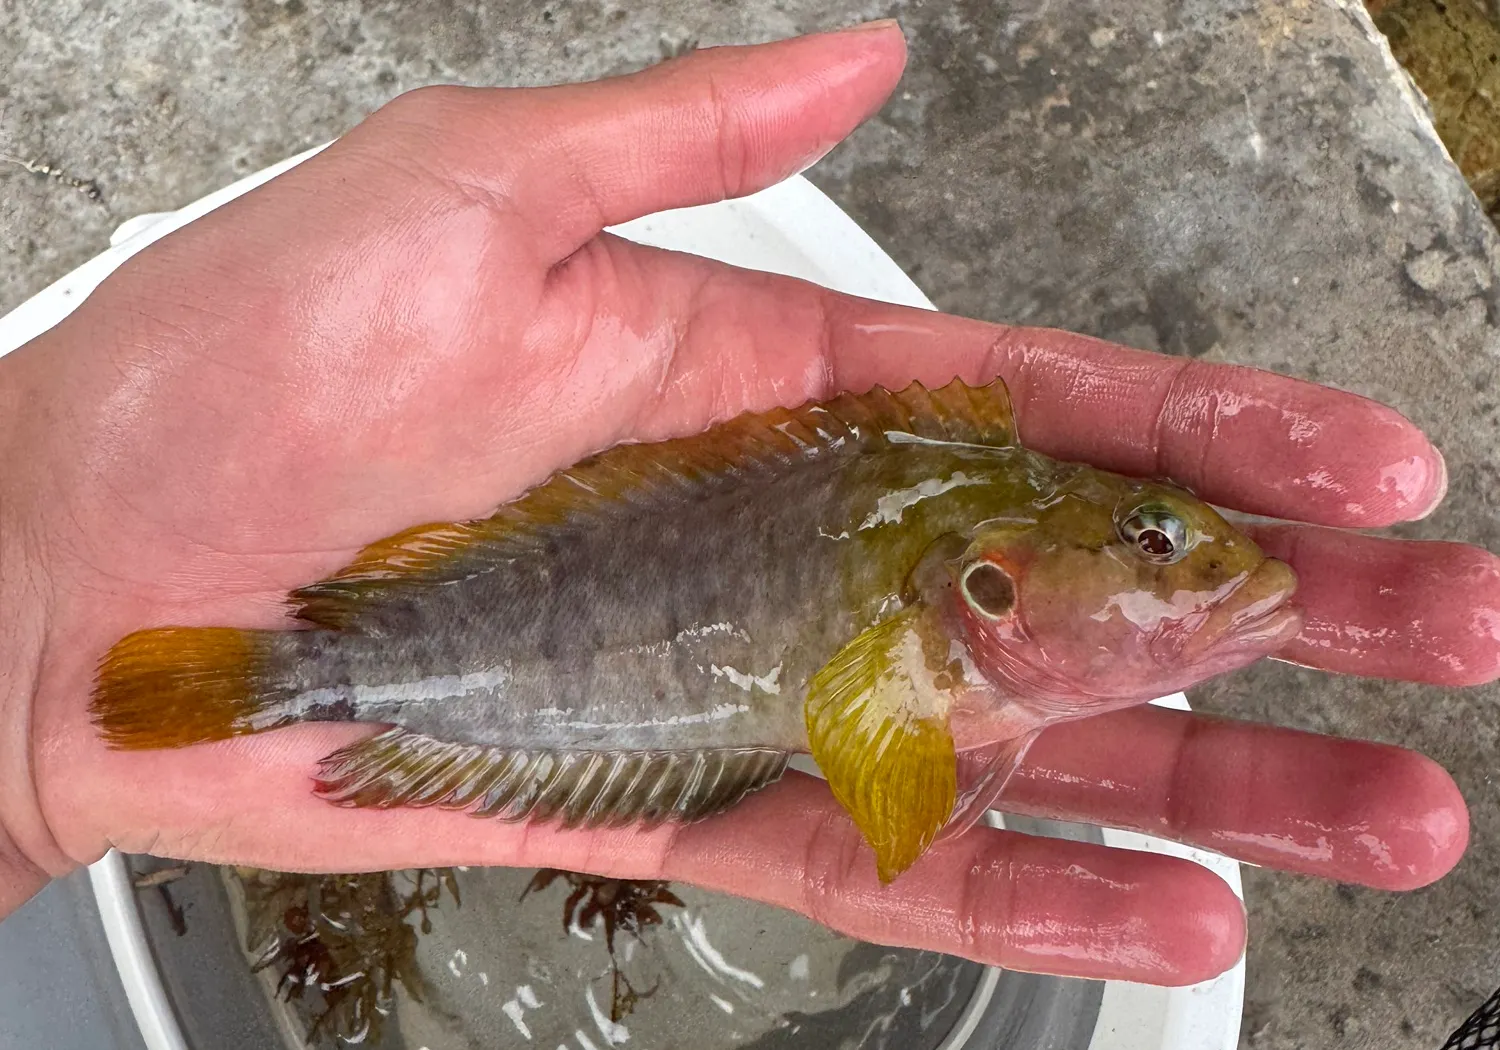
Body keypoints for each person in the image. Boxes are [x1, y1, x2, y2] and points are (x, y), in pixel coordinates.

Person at [0, 22, 1493, 988]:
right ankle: (294, 677)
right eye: (1157, 543)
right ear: (989, 579)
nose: (1197, 571)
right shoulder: (949, 574)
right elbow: (876, 742)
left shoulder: (965, 556)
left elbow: (883, 732)